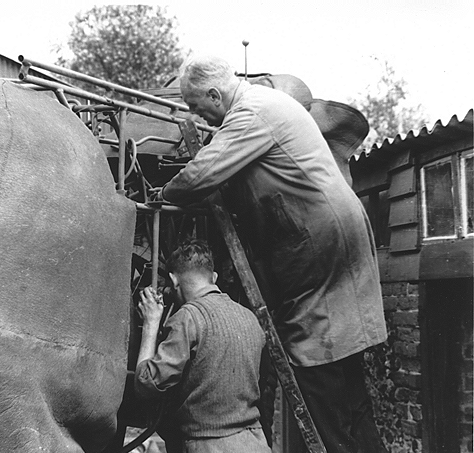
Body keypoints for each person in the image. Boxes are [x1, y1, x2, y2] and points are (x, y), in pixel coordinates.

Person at [153, 55, 389, 453]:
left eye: (198, 107)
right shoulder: (268, 105)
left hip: (318, 241)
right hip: (336, 235)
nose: (200, 116)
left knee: (318, 382)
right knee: (350, 394)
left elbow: (201, 174)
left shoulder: (252, 113)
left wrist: (164, 194)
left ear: (215, 93)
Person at [134, 239, 270, 453]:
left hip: (206, 445)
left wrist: (151, 323)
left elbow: (146, 383)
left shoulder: (188, 318)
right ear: (213, 277)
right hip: (254, 442)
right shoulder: (250, 318)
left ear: (173, 281)